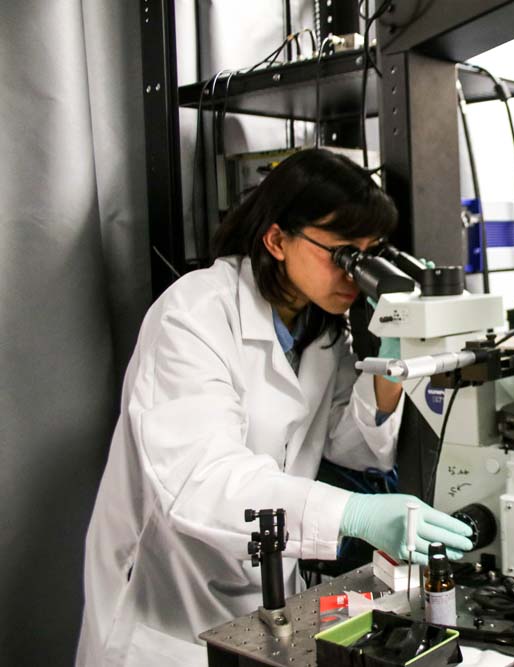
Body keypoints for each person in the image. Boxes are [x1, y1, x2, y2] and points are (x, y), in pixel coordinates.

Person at [76, 149, 473, 666]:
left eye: (368, 252)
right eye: (342, 253)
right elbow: (202, 479)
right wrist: (353, 513)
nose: (356, 273)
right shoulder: (193, 314)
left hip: (266, 596)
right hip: (167, 604)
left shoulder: (320, 331)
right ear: (277, 239)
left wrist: (389, 363)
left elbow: (349, 448)